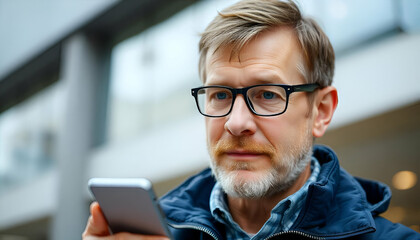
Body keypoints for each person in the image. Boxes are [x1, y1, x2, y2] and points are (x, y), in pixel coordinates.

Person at [83, 0, 420, 239]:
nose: (236, 122)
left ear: (320, 111)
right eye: (220, 95)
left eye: (268, 94)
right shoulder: (156, 234)